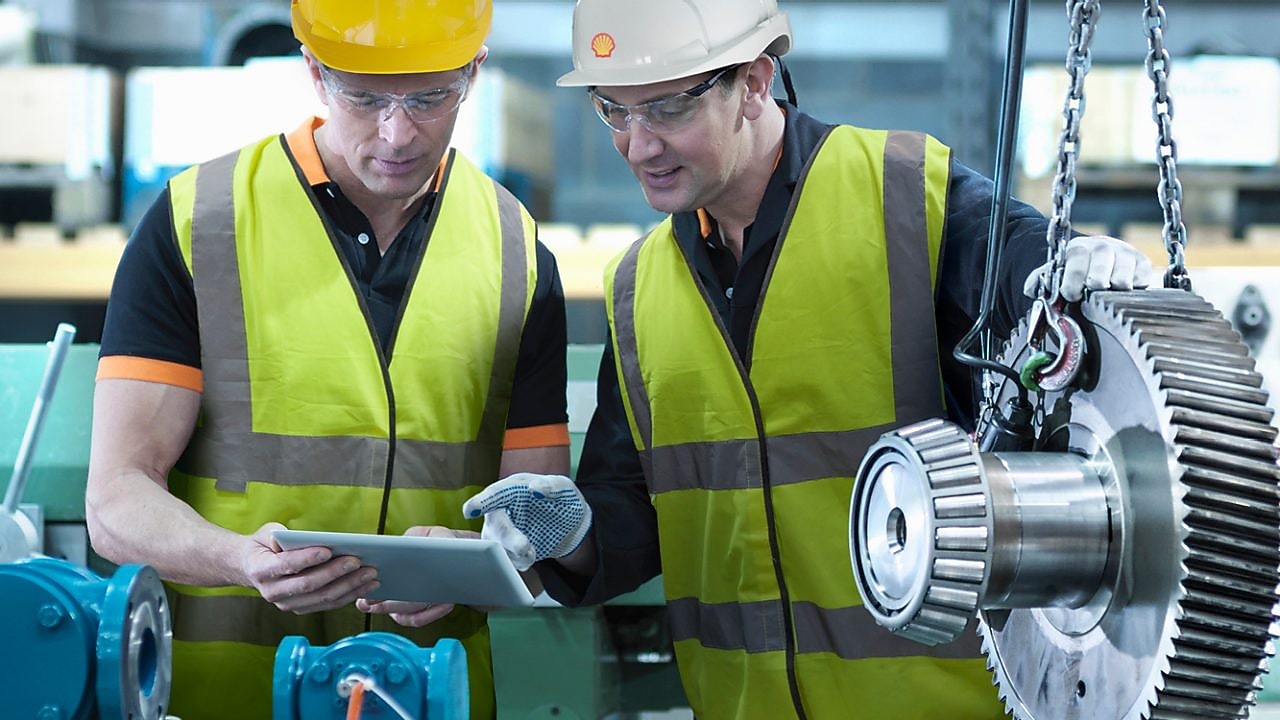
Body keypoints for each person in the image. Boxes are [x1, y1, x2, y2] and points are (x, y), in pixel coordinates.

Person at [462, 1, 1151, 718]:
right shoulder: (636, 291)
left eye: (666, 109)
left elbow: (1040, 292)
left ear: (755, 82)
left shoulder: (907, 200)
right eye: (614, 111)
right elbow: (633, 523)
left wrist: (1080, 282)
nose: (639, 145)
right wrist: (570, 533)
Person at [83, 1, 569, 718]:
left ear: (473, 75)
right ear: (313, 72)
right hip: (230, 697)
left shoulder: (515, 249)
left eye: (430, 96)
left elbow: (540, 509)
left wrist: (478, 558)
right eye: (364, 96)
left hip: (431, 693)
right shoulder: (199, 223)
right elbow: (115, 501)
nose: (397, 132)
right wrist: (238, 559)